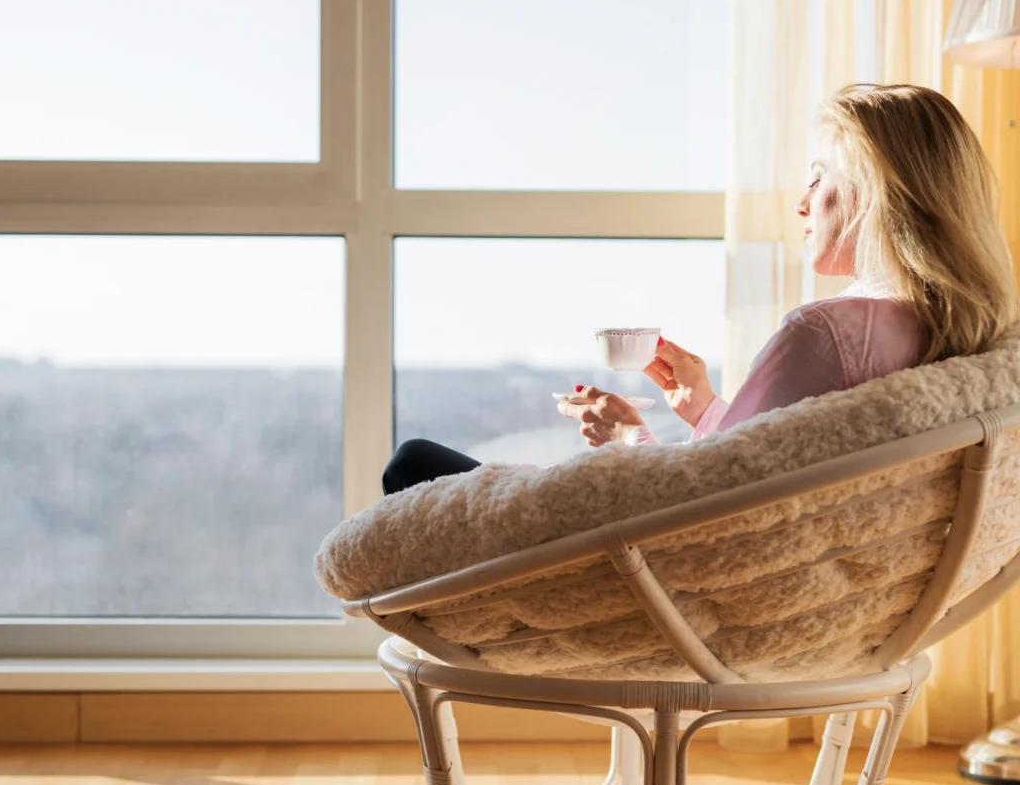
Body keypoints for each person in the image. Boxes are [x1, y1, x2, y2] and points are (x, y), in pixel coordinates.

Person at [382, 84, 1018, 496]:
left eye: (818, 178)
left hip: (661, 590)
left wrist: (626, 436)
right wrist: (705, 410)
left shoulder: (826, 333)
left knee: (412, 464)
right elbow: (754, 471)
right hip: (795, 595)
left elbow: (697, 507)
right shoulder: (953, 336)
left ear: (875, 192)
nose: (800, 203)